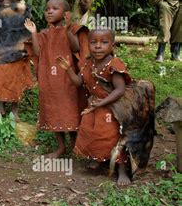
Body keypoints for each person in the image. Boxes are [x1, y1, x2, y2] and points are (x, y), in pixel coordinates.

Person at [56, 28, 134, 185]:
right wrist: (68, 69)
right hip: (94, 106)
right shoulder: (87, 63)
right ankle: (99, 159)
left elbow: (120, 89)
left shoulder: (114, 64)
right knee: (91, 132)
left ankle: (122, 170)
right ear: (88, 44)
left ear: (112, 45)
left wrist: (101, 103)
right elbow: (78, 82)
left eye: (104, 42)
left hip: (113, 108)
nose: (98, 46)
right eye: (93, 42)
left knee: (111, 136)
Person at [25, 0, 81, 158]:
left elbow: (76, 47)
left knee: (69, 110)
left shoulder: (69, 30)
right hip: (49, 79)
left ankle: (76, 146)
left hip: (67, 78)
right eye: (47, 8)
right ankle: (61, 147)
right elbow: (37, 52)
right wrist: (33, 33)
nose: (49, 11)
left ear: (65, 14)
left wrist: (68, 28)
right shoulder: (45, 33)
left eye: (55, 8)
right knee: (53, 111)